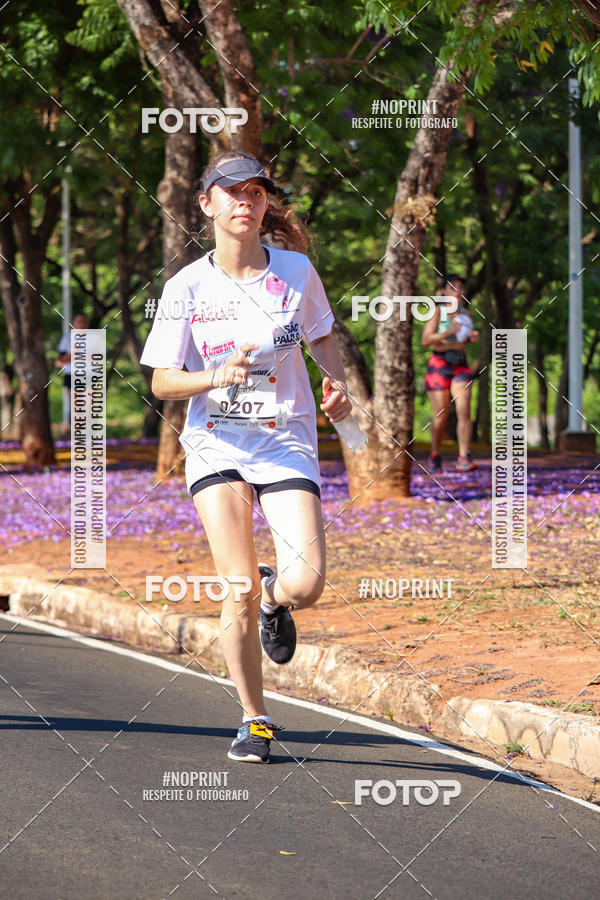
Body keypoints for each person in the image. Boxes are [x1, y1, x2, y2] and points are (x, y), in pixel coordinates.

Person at [140, 152, 352, 763]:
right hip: (217, 443)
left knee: (306, 582)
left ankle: (274, 599)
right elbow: (160, 383)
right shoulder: (186, 287)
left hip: (285, 438)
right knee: (232, 583)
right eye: (231, 192)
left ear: (265, 206)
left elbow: (323, 338)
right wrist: (211, 376)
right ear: (206, 204)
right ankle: (254, 719)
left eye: (256, 193)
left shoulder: (296, 271)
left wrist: (336, 388)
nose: (245, 202)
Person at [422, 275, 479, 473]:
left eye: (460, 287)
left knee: (464, 410)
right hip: (439, 364)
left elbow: (463, 338)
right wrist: (448, 332)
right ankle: (435, 454)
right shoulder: (438, 312)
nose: (457, 290)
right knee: (441, 414)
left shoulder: (466, 314)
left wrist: (471, 337)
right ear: (444, 292)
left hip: (460, 365)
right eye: (453, 287)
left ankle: (464, 456)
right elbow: (426, 340)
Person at [55, 313, 89, 426]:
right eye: (79, 322)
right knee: (76, 405)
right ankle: (73, 431)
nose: (81, 324)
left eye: (83, 322)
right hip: (72, 375)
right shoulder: (67, 339)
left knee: (88, 406)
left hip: (88, 375)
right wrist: (75, 353)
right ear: (74, 324)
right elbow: (61, 360)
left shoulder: (94, 339)